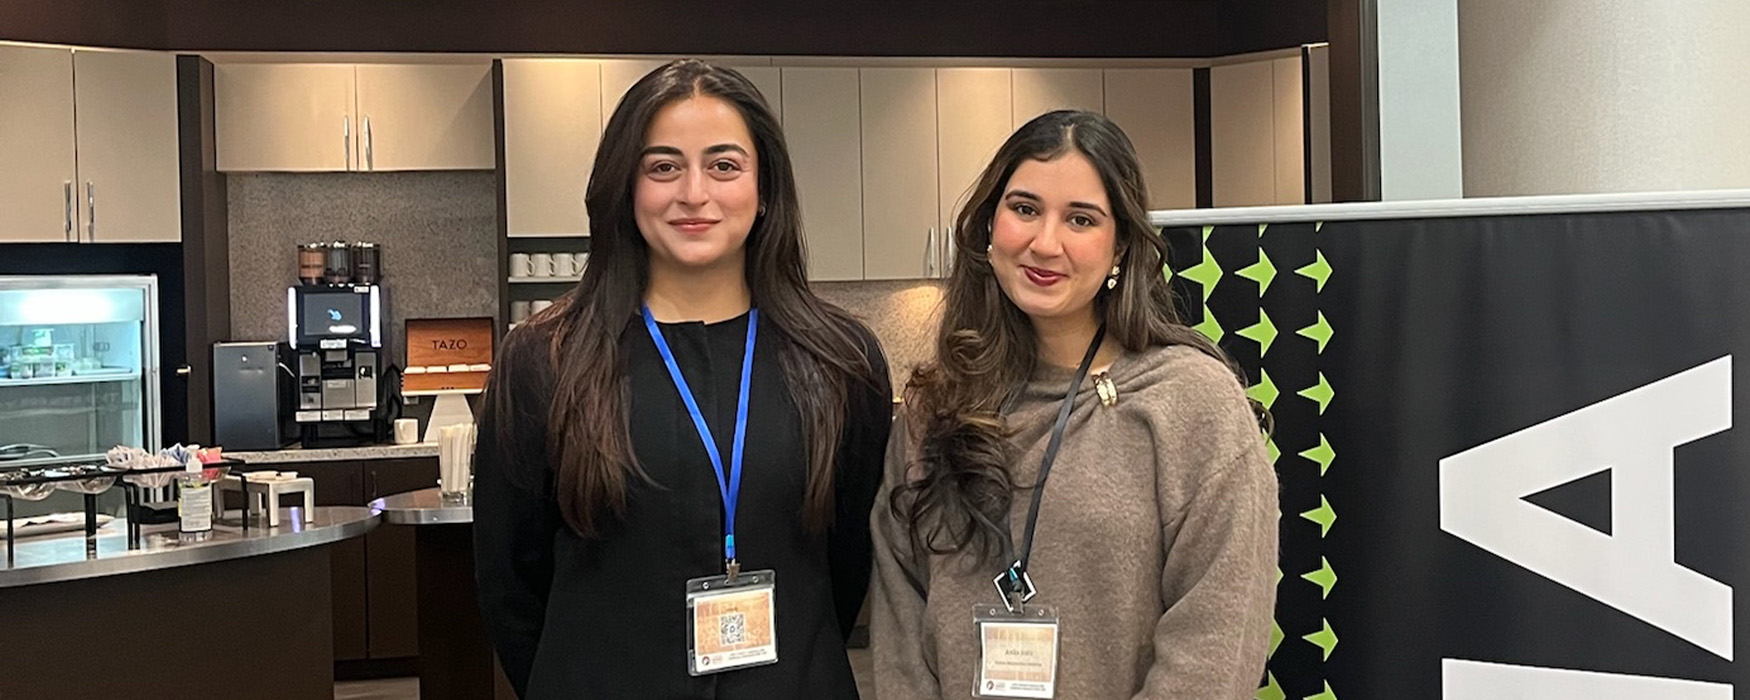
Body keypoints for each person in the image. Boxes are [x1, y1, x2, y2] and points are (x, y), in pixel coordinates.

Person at [474, 58, 892, 699]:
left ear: (765, 188)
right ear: (626, 186)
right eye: (663, 166)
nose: (693, 193)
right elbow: (511, 581)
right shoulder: (544, 360)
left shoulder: (839, 360)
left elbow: (845, 565)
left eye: (724, 166)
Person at [870, 110, 1277, 700]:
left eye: (1081, 219)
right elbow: (900, 623)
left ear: (1120, 248)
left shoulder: (1193, 404)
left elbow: (1215, 647)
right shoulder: (937, 408)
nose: (1045, 242)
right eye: (1025, 208)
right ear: (990, 225)